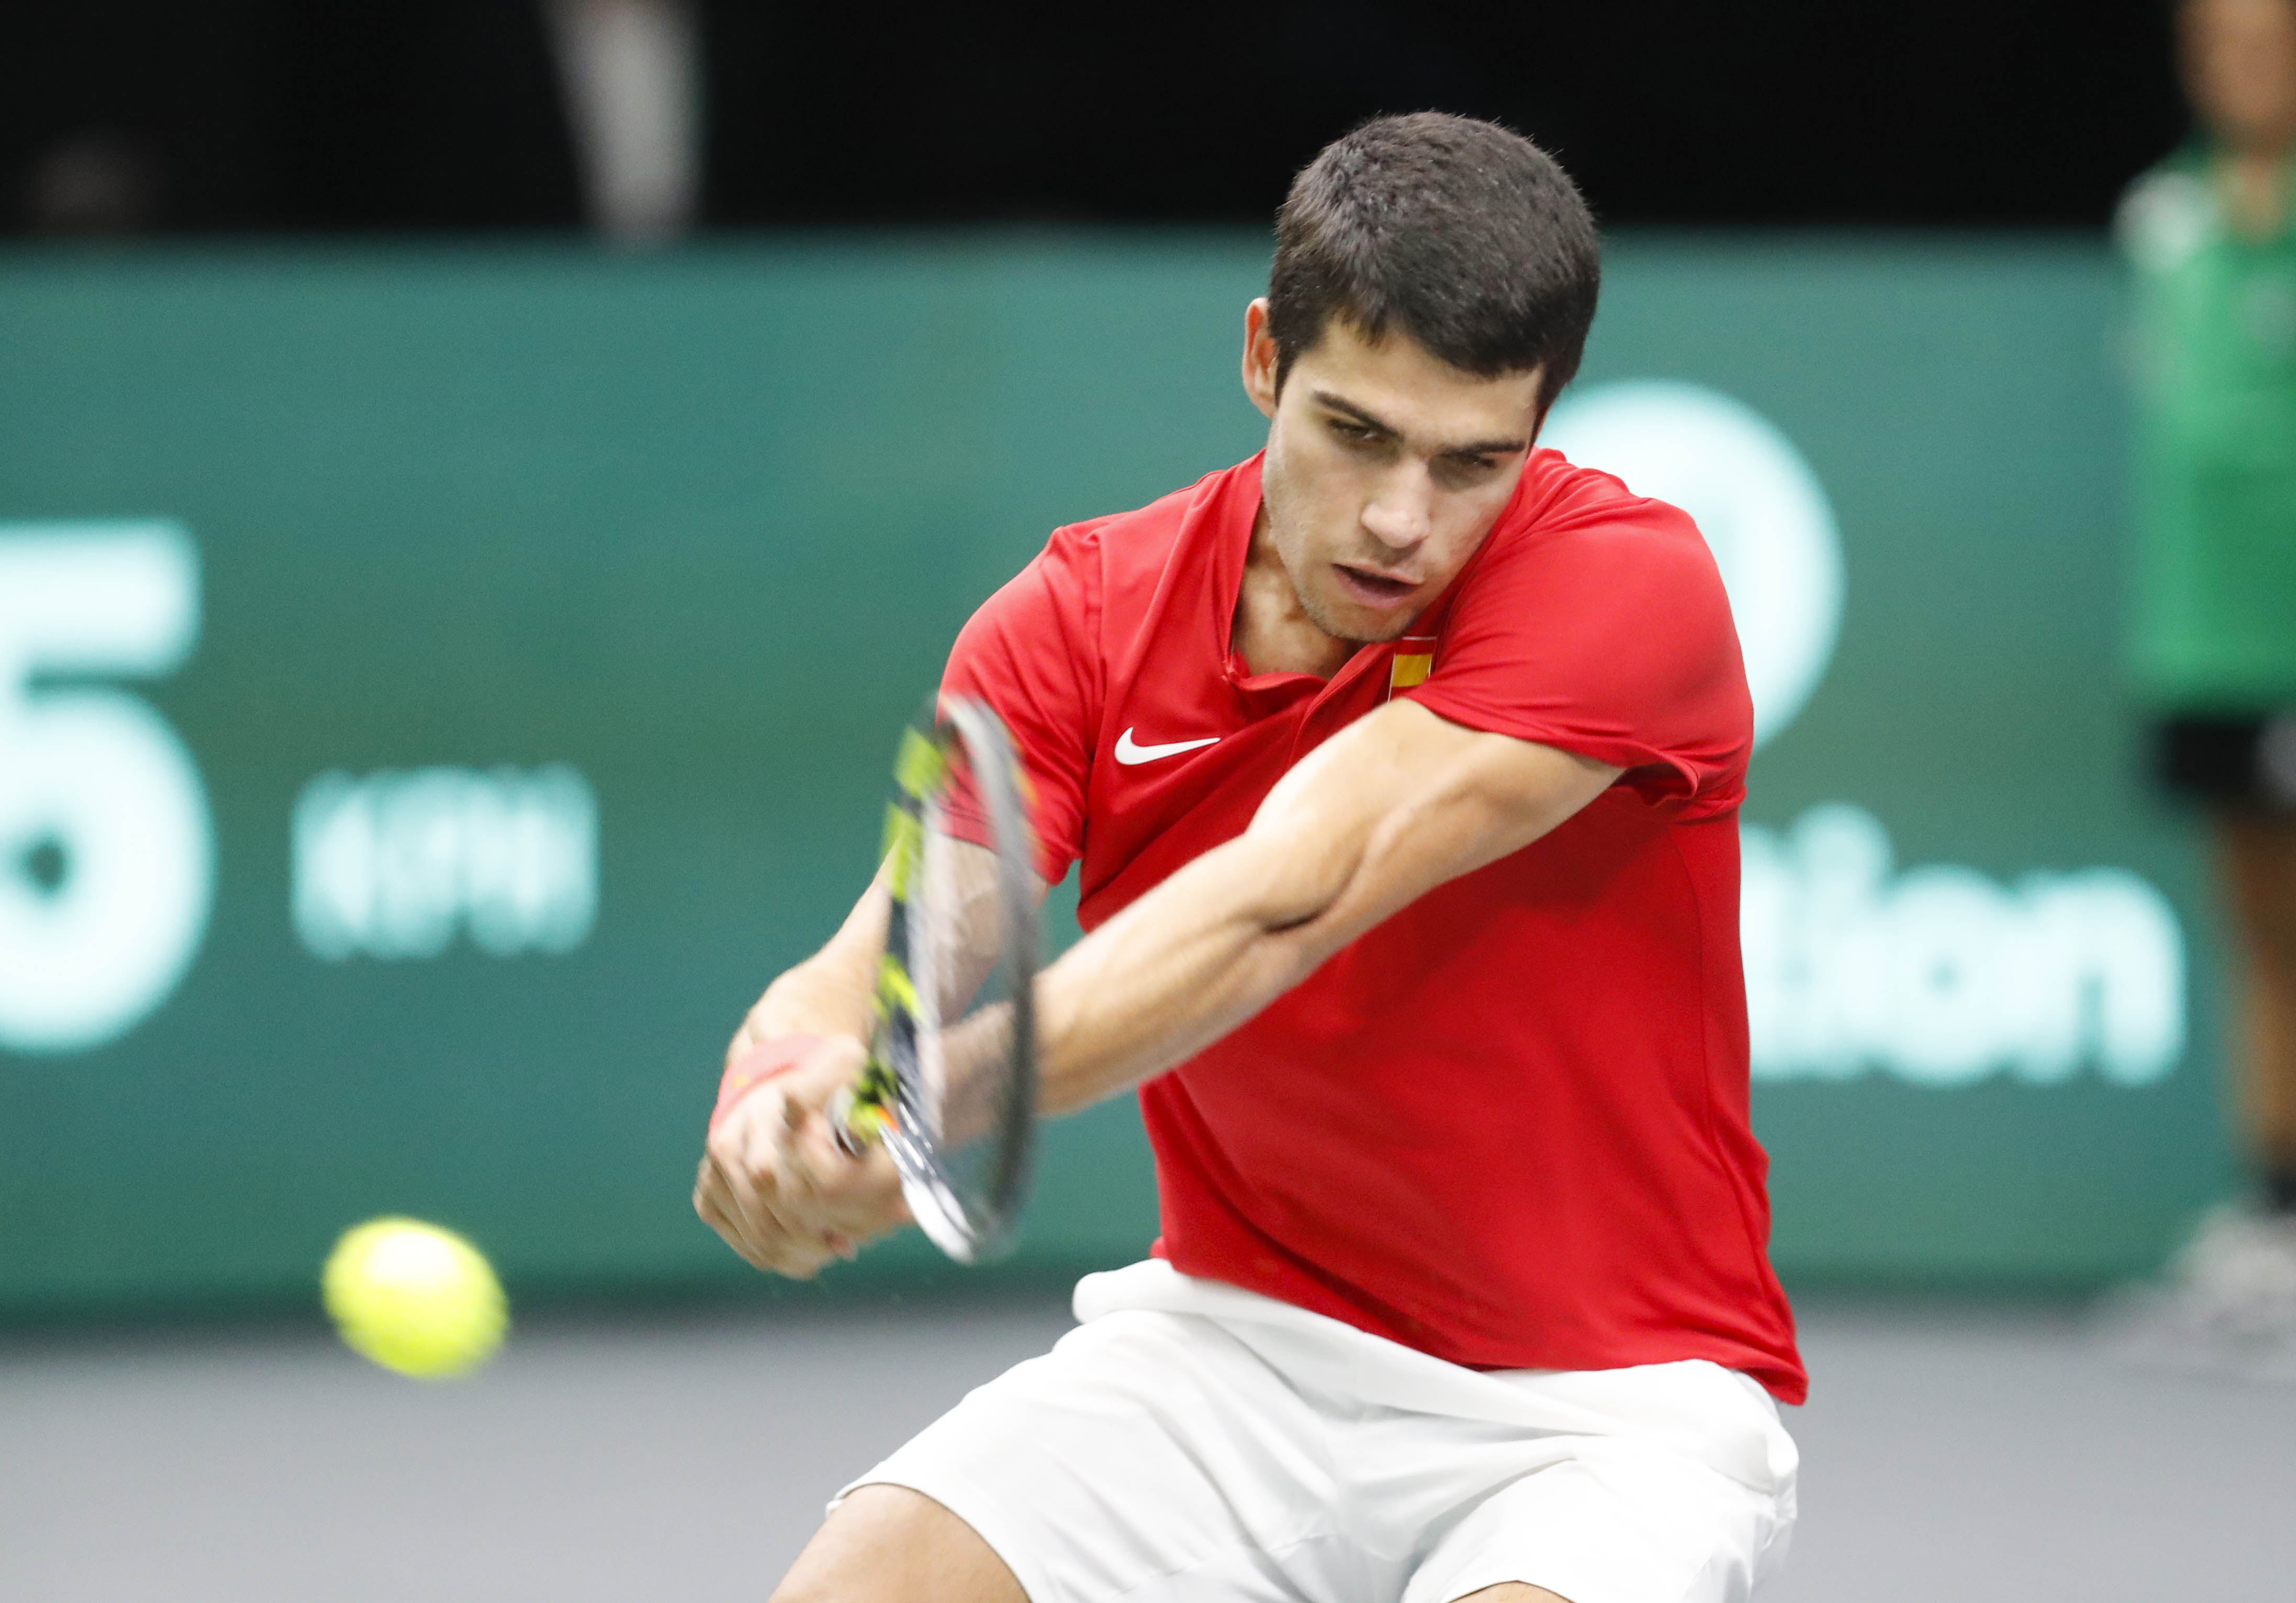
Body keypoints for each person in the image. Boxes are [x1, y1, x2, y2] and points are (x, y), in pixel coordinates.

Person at [695, 113, 1804, 1602]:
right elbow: (882, 969)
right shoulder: (1078, 617)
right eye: (1355, 434)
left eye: (1471, 462)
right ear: (1262, 360)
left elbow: (1296, 893)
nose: (1401, 523)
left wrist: (925, 1108)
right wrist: (778, 1098)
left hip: (1600, 1414)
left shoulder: (1627, 585)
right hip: (1232, 1357)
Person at [2111, 0, 2296, 1380]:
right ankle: (2271, 1216)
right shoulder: (2159, 221)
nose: (2241, 65)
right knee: (2255, 932)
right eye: (2219, 42)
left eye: (2268, 39)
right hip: (2203, 646)